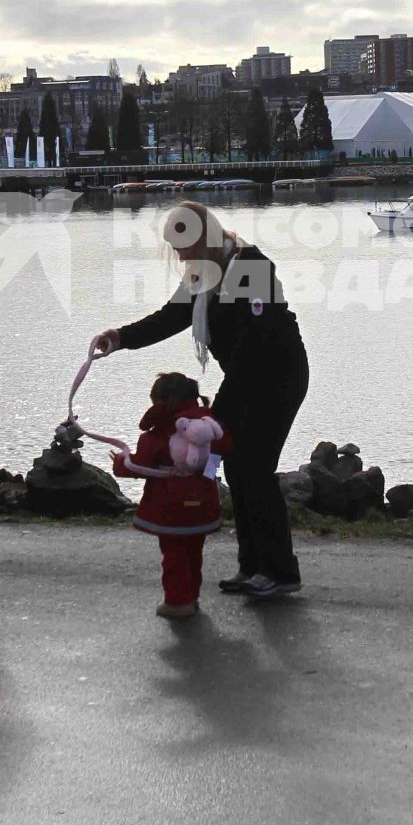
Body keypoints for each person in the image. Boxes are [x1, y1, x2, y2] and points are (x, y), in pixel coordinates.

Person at [91, 201, 307, 599]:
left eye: (184, 247)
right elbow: (170, 317)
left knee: (255, 469)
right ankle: (253, 567)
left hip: (278, 377)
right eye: (176, 249)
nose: (180, 256)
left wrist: (216, 416)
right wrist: (119, 337)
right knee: (239, 469)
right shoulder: (202, 274)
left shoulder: (251, 267)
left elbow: (252, 350)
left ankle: (279, 571)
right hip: (246, 377)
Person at [111, 371, 232, 619]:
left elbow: (139, 464)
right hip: (203, 501)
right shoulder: (208, 427)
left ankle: (178, 603)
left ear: (161, 402)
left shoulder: (160, 433)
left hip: (170, 506)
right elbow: (223, 448)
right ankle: (192, 596)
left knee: (173, 555)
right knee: (193, 553)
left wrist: (120, 463)